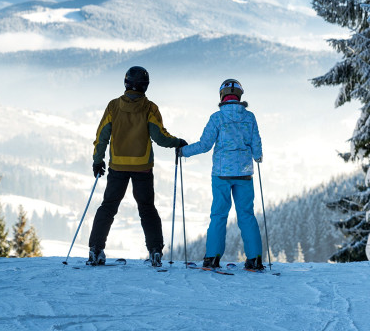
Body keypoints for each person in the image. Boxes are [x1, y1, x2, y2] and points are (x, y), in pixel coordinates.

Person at [88, 66, 186, 267]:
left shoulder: (113, 106)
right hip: (143, 166)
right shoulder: (150, 108)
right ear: (145, 86)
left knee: (108, 207)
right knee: (147, 208)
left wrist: (98, 161)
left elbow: (101, 136)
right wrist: (178, 142)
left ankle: (95, 249)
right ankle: (155, 251)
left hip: (117, 166)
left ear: (126, 83)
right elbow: (160, 137)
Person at [178, 78, 264, 270]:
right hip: (244, 174)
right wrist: (257, 157)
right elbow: (256, 144)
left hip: (221, 174)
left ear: (222, 96)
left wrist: (183, 151)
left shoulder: (217, 118)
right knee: (247, 215)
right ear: (240, 96)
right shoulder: (249, 117)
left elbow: (205, 145)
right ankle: (255, 260)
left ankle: (212, 258)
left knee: (218, 215)